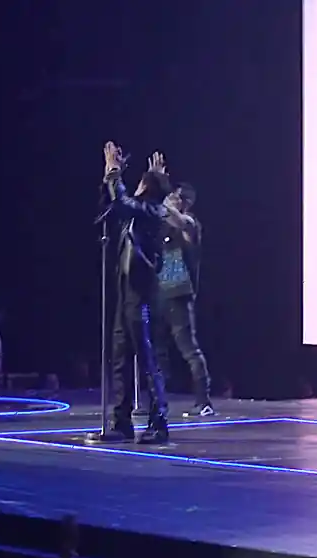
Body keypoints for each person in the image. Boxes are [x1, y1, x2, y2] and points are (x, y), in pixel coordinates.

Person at [87, 144, 172, 446]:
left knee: (147, 358)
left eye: (141, 182)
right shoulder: (138, 212)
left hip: (142, 293)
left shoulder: (152, 210)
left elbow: (122, 201)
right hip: (126, 292)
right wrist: (111, 180)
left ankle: (158, 422)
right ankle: (121, 422)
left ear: (148, 189)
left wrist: (113, 171)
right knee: (120, 357)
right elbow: (111, 206)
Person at [154, 182, 215, 417]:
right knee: (157, 351)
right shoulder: (164, 228)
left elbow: (180, 221)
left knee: (189, 349)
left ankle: (204, 400)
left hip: (179, 294)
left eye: (174, 196)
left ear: (184, 201)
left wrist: (160, 200)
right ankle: (157, 402)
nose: (169, 198)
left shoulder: (190, 224)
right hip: (159, 292)